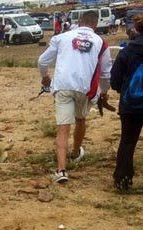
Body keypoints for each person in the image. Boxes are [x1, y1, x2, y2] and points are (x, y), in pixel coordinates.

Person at [38, 10, 112, 184]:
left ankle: (61, 170)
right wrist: (104, 92)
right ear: (96, 23)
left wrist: (45, 77)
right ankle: (76, 151)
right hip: (85, 88)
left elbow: (42, 61)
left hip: (63, 85)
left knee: (63, 128)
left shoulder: (62, 37)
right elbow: (106, 73)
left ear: (79, 21)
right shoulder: (101, 43)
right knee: (80, 120)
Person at [110, 12, 143, 191]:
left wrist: (125, 90)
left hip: (131, 103)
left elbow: (115, 79)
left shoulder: (127, 50)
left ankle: (123, 179)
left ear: (137, 28)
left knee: (128, 142)